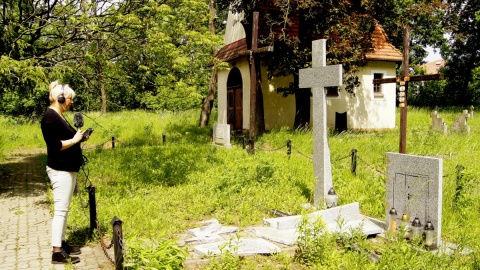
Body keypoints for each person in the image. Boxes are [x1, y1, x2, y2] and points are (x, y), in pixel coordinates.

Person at [41, 81, 90, 264]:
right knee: (60, 211)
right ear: (60, 98)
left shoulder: (58, 115)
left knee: (64, 209)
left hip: (68, 169)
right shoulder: (50, 118)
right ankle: (56, 252)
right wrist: (75, 139)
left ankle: (61, 243)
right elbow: (55, 146)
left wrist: (80, 138)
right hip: (60, 170)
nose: (71, 102)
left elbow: (67, 139)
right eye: (70, 99)